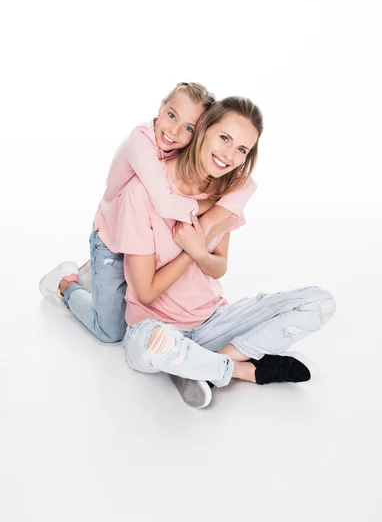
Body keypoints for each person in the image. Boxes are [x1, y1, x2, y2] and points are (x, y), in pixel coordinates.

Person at [118, 96, 336, 408]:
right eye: (225, 138)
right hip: (153, 326)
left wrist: (200, 248)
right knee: (154, 346)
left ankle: (200, 365)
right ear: (204, 128)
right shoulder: (140, 193)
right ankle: (241, 370)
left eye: (242, 150)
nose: (229, 155)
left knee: (321, 303)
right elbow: (147, 292)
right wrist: (190, 251)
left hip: (213, 320)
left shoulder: (226, 192)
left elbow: (219, 267)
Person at [39, 83, 257, 343]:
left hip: (142, 240)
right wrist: (210, 210)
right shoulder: (140, 142)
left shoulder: (186, 152)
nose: (175, 131)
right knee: (111, 331)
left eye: (189, 127)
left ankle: (96, 280)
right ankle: (67, 284)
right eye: (172, 115)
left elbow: (247, 183)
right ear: (162, 105)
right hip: (110, 238)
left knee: (133, 303)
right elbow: (165, 205)